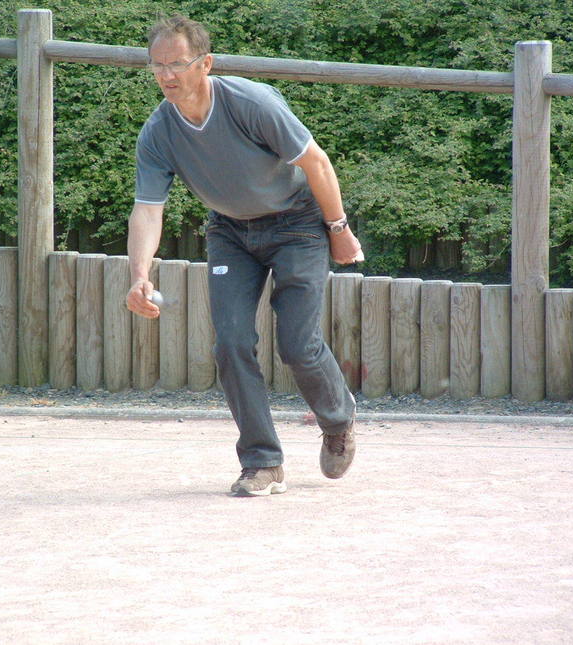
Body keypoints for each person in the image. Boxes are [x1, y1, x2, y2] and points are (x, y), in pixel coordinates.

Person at [125, 14, 364, 497]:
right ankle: (262, 461)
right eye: (158, 66)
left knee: (297, 344)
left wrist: (338, 229)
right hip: (231, 232)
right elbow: (148, 209)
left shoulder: (249, 102)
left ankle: (337, 421)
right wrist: (139, 275)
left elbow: (315, 161)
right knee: (231, 343)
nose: (167, 75)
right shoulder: (158, 132)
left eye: (178, 64)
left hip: (297, 224)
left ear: (205, 63)